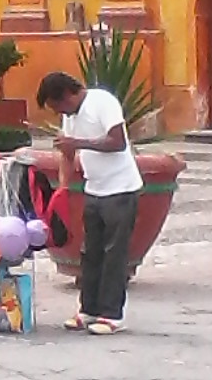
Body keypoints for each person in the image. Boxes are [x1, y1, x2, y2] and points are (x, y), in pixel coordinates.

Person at [38, 71, 144, 335]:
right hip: (94, 189)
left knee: (114, 253)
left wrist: (79, 142)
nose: (60, 112)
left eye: (58, 105)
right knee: (90, 252)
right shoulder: (70, 117)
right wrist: (64, 187)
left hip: (121, 189)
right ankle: (89, 309)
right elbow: (68, 154)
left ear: (67, 95)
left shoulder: (102, 102)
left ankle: (111, 314)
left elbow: (117, 142)